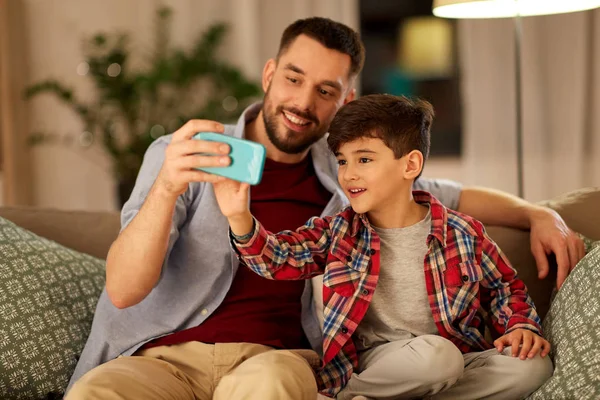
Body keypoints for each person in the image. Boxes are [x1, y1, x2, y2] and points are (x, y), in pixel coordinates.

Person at [66, 17, 579, 400]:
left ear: (344, 100)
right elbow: (125, 289)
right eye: (293, 78)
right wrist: (167, 189)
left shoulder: (346, 174)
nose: (303, 101)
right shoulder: (188, 153)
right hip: (162, 359)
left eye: (325, 90)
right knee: (98, 393)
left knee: (272, 386)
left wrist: (539, 214)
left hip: (275, 363)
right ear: (269, 74)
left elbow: (450, 196)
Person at [215, 93, 554, 399]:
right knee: (438, 358)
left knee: (533, 367)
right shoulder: (339, 231)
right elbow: (278, 259)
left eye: (364, 160)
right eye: (343, 161)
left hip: (456, 358)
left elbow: (505, 288)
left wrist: (520, 327)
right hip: (379, 361)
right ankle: (349, 394)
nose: (348, 175)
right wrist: (239, 217)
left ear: (410, 165)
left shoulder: (463, 232)